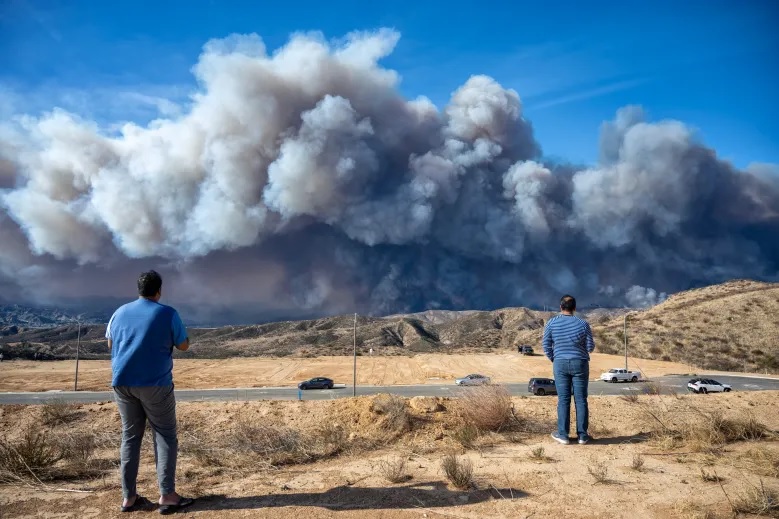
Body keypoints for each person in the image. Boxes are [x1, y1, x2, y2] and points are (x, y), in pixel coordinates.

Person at [106, 270, 194, 514]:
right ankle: (167, 495)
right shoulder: (168, 313)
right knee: (165, 435)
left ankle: (129, 498)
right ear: (159, 291)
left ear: (138, 289)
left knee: (130, 437)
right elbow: (184, 345)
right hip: (156, 384)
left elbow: (111, 344)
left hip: (122, 382)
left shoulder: (119, 312)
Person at [542, 294, 595, 445]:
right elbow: (590, 347)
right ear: (574, 308)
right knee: (581, 399)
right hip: (581, 363)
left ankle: (563, 435)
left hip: (560, 363)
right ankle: (582, 436)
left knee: (563, 399)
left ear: (560, 307)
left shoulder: (552, 323)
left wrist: (555, 358)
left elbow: (545, 345)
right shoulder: (583, 324)